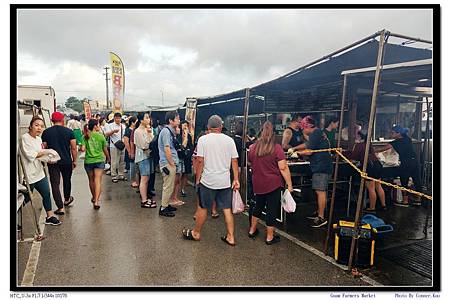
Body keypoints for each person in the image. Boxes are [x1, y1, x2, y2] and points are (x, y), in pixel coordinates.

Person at [181, 115, 240, 246]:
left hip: (208, 181)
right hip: (224, 181)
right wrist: (236, 179)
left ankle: (196, 233)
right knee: (226, 209)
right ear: (221, 127)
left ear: (208, 127)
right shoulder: (229, 140)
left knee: (203, 207)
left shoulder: (203, 140)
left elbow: (200, 160)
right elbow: (234, 160)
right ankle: (231, 237)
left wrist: (198, 178)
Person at [247, 121, 293, 245]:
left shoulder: (253, 147)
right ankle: (269, 237)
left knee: (258, 206)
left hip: (258, 183)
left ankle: (252, 230)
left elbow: (250, 162)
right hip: (273, 184)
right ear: (272, 133)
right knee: (272, 210)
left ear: (261, 131)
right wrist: (289, 184)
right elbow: (283, 168)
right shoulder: (276, 147)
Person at [20, 116, 61, 225]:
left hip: (39, 172)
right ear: (30, 126)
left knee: (46, 193)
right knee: (25, 198)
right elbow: (30, 156)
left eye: (41, 126)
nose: (39, 128)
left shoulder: (38, 139)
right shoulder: (24, 138)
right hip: (29, 174)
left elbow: (40, 155)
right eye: (36, 125)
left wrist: (49, 159)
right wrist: (47, 151)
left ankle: (50, 216)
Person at [297, 116, 333, 228]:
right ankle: (319, 211)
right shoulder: (317, 133)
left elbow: (308, 151)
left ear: (308, 127)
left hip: (321, 166)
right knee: (319, 191)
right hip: (320, 165)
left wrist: (298, 153)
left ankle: (321, 217)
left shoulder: (315, 133)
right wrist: (294, 149)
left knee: (320, 191)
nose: (303, 131)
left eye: (303, 128)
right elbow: (307, 145)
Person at [375, 125, 422, 207]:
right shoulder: (407, 139)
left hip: (406, 163)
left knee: (404, 181)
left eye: (392, 132)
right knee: (417, 179)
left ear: (398, 133)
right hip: (415, 161)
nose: (391, 134)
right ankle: (418, 200)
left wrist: (370, 150)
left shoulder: (395, 142)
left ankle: (405, 201)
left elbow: (381, 149)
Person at [41, 112, 78, 215]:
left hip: (53, 162)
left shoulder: (46, 132)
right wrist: (74, 160)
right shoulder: (69, 131)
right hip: (66, 161)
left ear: (52, 120)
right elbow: (74, 148)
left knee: (55, 184)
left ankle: (60, 207)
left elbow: (44, 148)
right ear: (62, 120)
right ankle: (67, 199)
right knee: (67, 180)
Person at [343, 131, 386, 212]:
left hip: (370, 166)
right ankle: (383, 205)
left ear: (359, 137)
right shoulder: (368, 144)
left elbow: (354, 155)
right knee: (378, 186)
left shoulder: (359, 145)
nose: (354, 136)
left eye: (356, 135)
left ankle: (372, 208)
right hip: (377, 165)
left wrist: (341, 153)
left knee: (371, 188)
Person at [81, 119, 110, 209]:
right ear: (95, 126)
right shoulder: (101, 136)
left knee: (91, 180)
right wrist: (108, 158)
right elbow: (105, 149)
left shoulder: (85, 136)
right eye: (98, 125)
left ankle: (94, 197)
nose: (99, 126)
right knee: (97, 180)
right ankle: (97, 201)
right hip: (99, 161)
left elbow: (82, 149)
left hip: (88, 161)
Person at [158, 111, 181, 217]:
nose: (179, 120)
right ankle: (163, 208)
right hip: (167, 163)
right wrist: (171, 163)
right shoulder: (166, 132)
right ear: (170, 120)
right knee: (168, 186)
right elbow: (167, 148)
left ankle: (166, 205)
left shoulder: (169, 131)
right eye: (177, 118)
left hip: (168, 162)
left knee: (170, 186)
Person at [134, 112, 157, 208]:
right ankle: (143, 200)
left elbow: (152, 141)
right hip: (142, 157)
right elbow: (144, 145)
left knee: (147, 178)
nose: (149, 119)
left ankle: (146, 198)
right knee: (144, 178)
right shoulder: (138, 131)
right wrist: (148, 135)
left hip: (149, 156)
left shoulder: (148, 129)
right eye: (146, 118)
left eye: (149, 117)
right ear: (141, 120)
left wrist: (149, 133)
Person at [104, 112, 127, 182]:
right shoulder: (110, 125)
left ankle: (121, 174)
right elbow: (106, 134)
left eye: (119, 118)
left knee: (122, 161)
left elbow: (125, 135)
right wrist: (113, 131)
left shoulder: (123, 126)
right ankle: (114, 176)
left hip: (122, 145)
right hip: (113, 146)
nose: (118, 119)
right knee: (114, 161)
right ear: (114, 118)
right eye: (116, 118)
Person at [170, 125, 185, 206]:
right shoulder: (174, 138)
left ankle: (175, 197)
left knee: (178, 180)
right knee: (175, 181)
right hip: (176, 160)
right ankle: (172, 198)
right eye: (178, 128)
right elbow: (181, 147)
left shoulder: (178, 137)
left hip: (180, 160)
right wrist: (185, 139)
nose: (180, 129)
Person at [180, 120, 194, 198]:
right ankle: (178, 189)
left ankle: (183, 189)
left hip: (187, 157)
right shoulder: (178, 134)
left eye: (186, 125)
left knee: (185, 174)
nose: (185, 127)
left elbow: (191, 146)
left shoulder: (189, 135)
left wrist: (189, 152)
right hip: (181, 157)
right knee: (179, 174)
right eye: (183, 125)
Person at [124, 116, 138, 188]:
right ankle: (132, 180)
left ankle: (136, 180)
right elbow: (126, 141)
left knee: (135, 167)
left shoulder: (135, 130)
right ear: (132, 122)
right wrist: (130, 151)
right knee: (132, 166)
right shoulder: (128, 130)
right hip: (130, 151)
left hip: (135, 151)